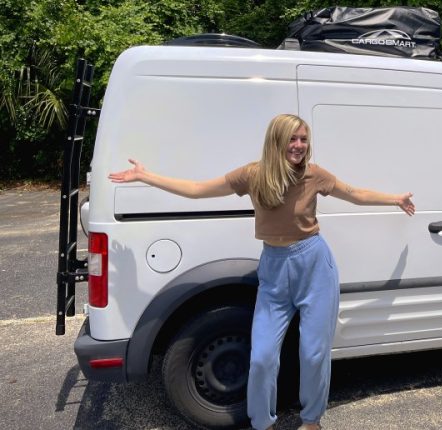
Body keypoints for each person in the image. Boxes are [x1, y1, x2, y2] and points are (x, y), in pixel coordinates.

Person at [108, 114, 415, 430]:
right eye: (292, 139)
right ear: (277, 140)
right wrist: (147, 177)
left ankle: (312, 421)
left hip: (314, 266)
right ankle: (262, 423)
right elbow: (199, 189)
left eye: (303, 139)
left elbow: (355, 193)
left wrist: (395, 198)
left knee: (313, 354)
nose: (298, 145)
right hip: (274, 268)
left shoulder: (314, 175)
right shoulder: (253, 174)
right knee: (262, 357)